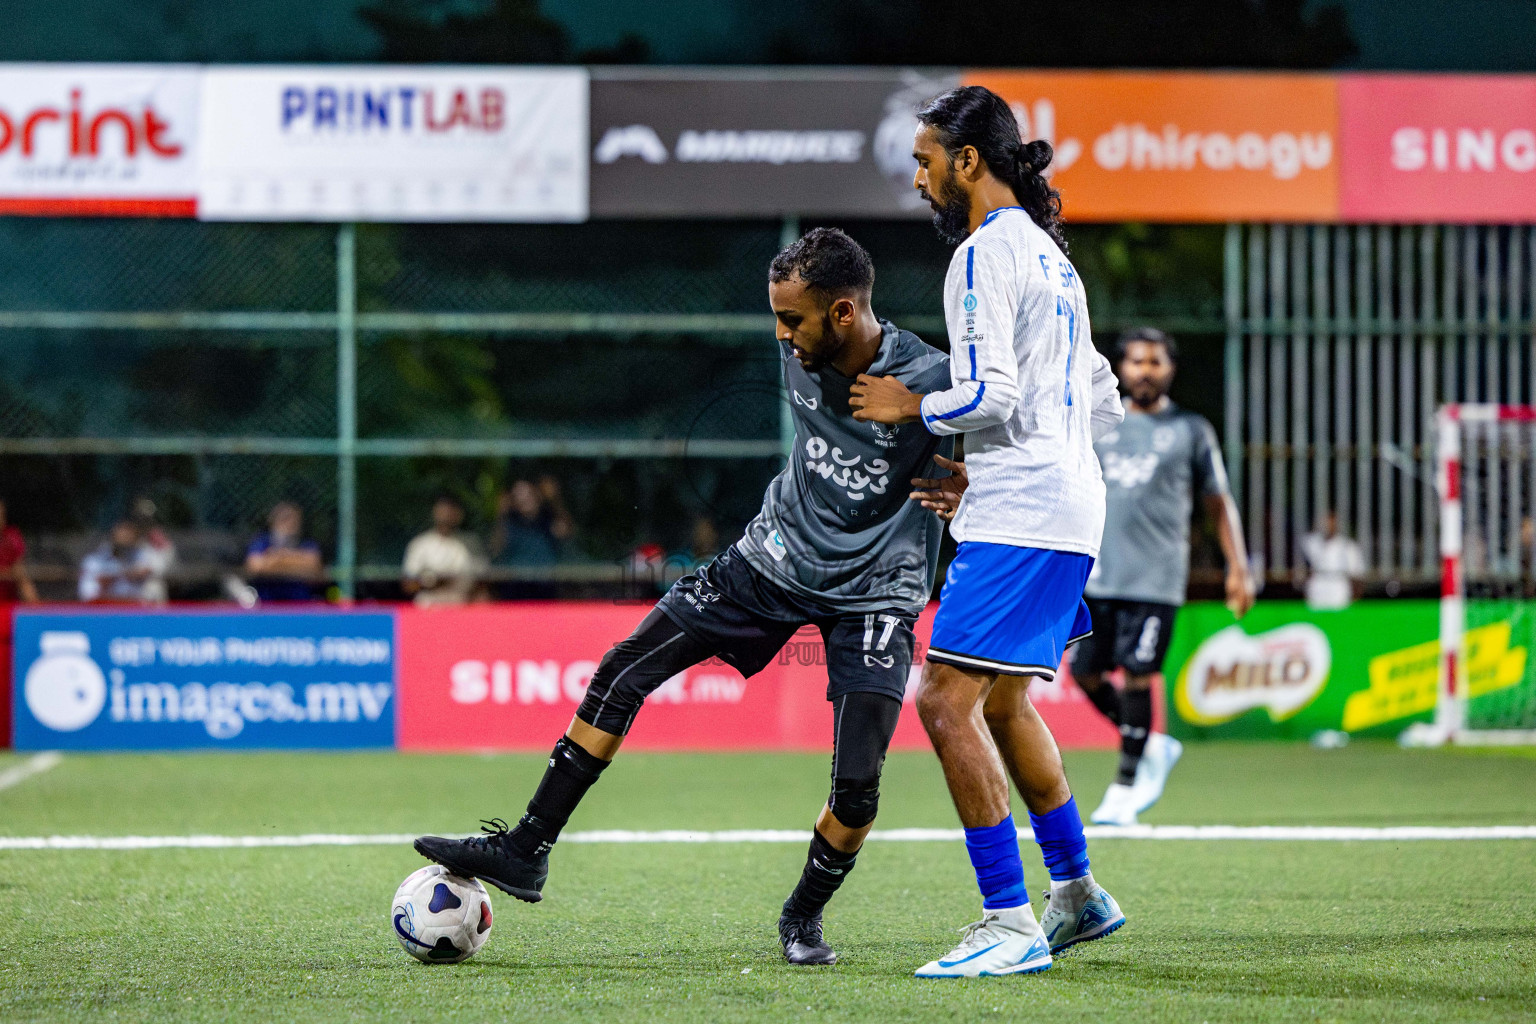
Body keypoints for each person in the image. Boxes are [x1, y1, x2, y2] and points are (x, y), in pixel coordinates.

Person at [415, 227, 955, 967]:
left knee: (857, 790)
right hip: (770, 558)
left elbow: (1010, 457)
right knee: (620, 671)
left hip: (876, 593)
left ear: (840, 314)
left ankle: (802, 917)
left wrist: (938, 435)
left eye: (792, 319)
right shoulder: (800, 345)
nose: (779, 334)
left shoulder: (935, 379)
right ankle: (524, 850)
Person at [850, 85, 1125, 977]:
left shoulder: (980, 256)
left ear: (968, 161)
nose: (922, 178)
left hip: (1027, 509)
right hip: (1064, 501)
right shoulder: (1053, 260)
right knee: (1004, 702)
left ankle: (1007, 923)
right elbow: (1103, 399)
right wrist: (1022, 464)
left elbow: (992, 391)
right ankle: (1077, 893)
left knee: (943, 701)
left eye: (927, 160)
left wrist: (912, 405)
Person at [1064, 328, 1253, 826]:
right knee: (1082, 671)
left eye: (1155, 362)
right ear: (1120, 368)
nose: (1145, 371)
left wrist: (1239, 567)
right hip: (1097, 574)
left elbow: (1219, 502)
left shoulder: (1191, 429)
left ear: (1170, 368)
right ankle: (1150, 744)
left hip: (1156, 579)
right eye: (1136, 361)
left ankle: (1126, 785)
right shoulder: (1098, 422)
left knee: (1138, 672)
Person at [402, 495, 484, 606]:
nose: (446, 515)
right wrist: (434, 582)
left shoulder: (471, 543)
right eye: (443, 510)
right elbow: (408, 584)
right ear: (435, 512)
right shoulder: (421, 544)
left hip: (462, 607)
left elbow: (483, 578)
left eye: (451, 510)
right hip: (428, 608)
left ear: (459, 514)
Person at [245, 502, 323, 603]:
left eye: (294, 520)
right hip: (267, 602)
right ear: (273, 521)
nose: (290, 523)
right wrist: (297, 563)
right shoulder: (261, 542)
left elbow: (314, 566)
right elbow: (255, 567)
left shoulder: (307, 544)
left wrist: (277, 557)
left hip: (300, 603)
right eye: (285, 519)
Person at [79, 520, 165, 604]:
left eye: (130, 537)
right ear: (112, 537)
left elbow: (151, 593)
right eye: (122, 536)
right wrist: (111, 580)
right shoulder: (94, 561)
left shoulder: (143, 557)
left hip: (136, 611)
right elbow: (87, 595)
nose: (125, 539)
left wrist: (139, 575)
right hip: (102, 611)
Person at [1299, 510, 1364, 610]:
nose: (1328, 525)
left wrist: (1352, 601)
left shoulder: (1348, 546)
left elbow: (1357, 577)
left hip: (1339, 595)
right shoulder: (1309, 543)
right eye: (1325, 521)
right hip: (1315, 594)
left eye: (1331, 521)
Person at [0, 498, 40, 604]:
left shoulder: (11, 537)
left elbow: (21, 576)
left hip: (7, 605)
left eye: (2, 515)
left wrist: (36, 607)